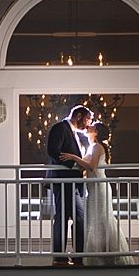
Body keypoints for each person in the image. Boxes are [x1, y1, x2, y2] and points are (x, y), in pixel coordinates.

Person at [60, 120, 135, 267]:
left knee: (101, 218)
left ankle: (107, 253)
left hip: (99, 187)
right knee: (94, 218)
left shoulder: (97, 146)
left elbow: (91, 167)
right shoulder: (92, 147)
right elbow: (85, 166)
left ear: (97, 132)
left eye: (92, 126)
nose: (89, 127)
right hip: (93, 188)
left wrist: (73, 157)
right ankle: (99, 253)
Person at [44, 105, 92, 265]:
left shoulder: (75, 133)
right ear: (78, 116)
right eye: (87, 119)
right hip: (63, 180)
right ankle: (63, 255)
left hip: (73, 183)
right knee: (68, 217)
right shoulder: (60, 128)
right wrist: (73, 165)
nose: (87, 124)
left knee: (73, 217)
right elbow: (53, 150)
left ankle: (73, 254)